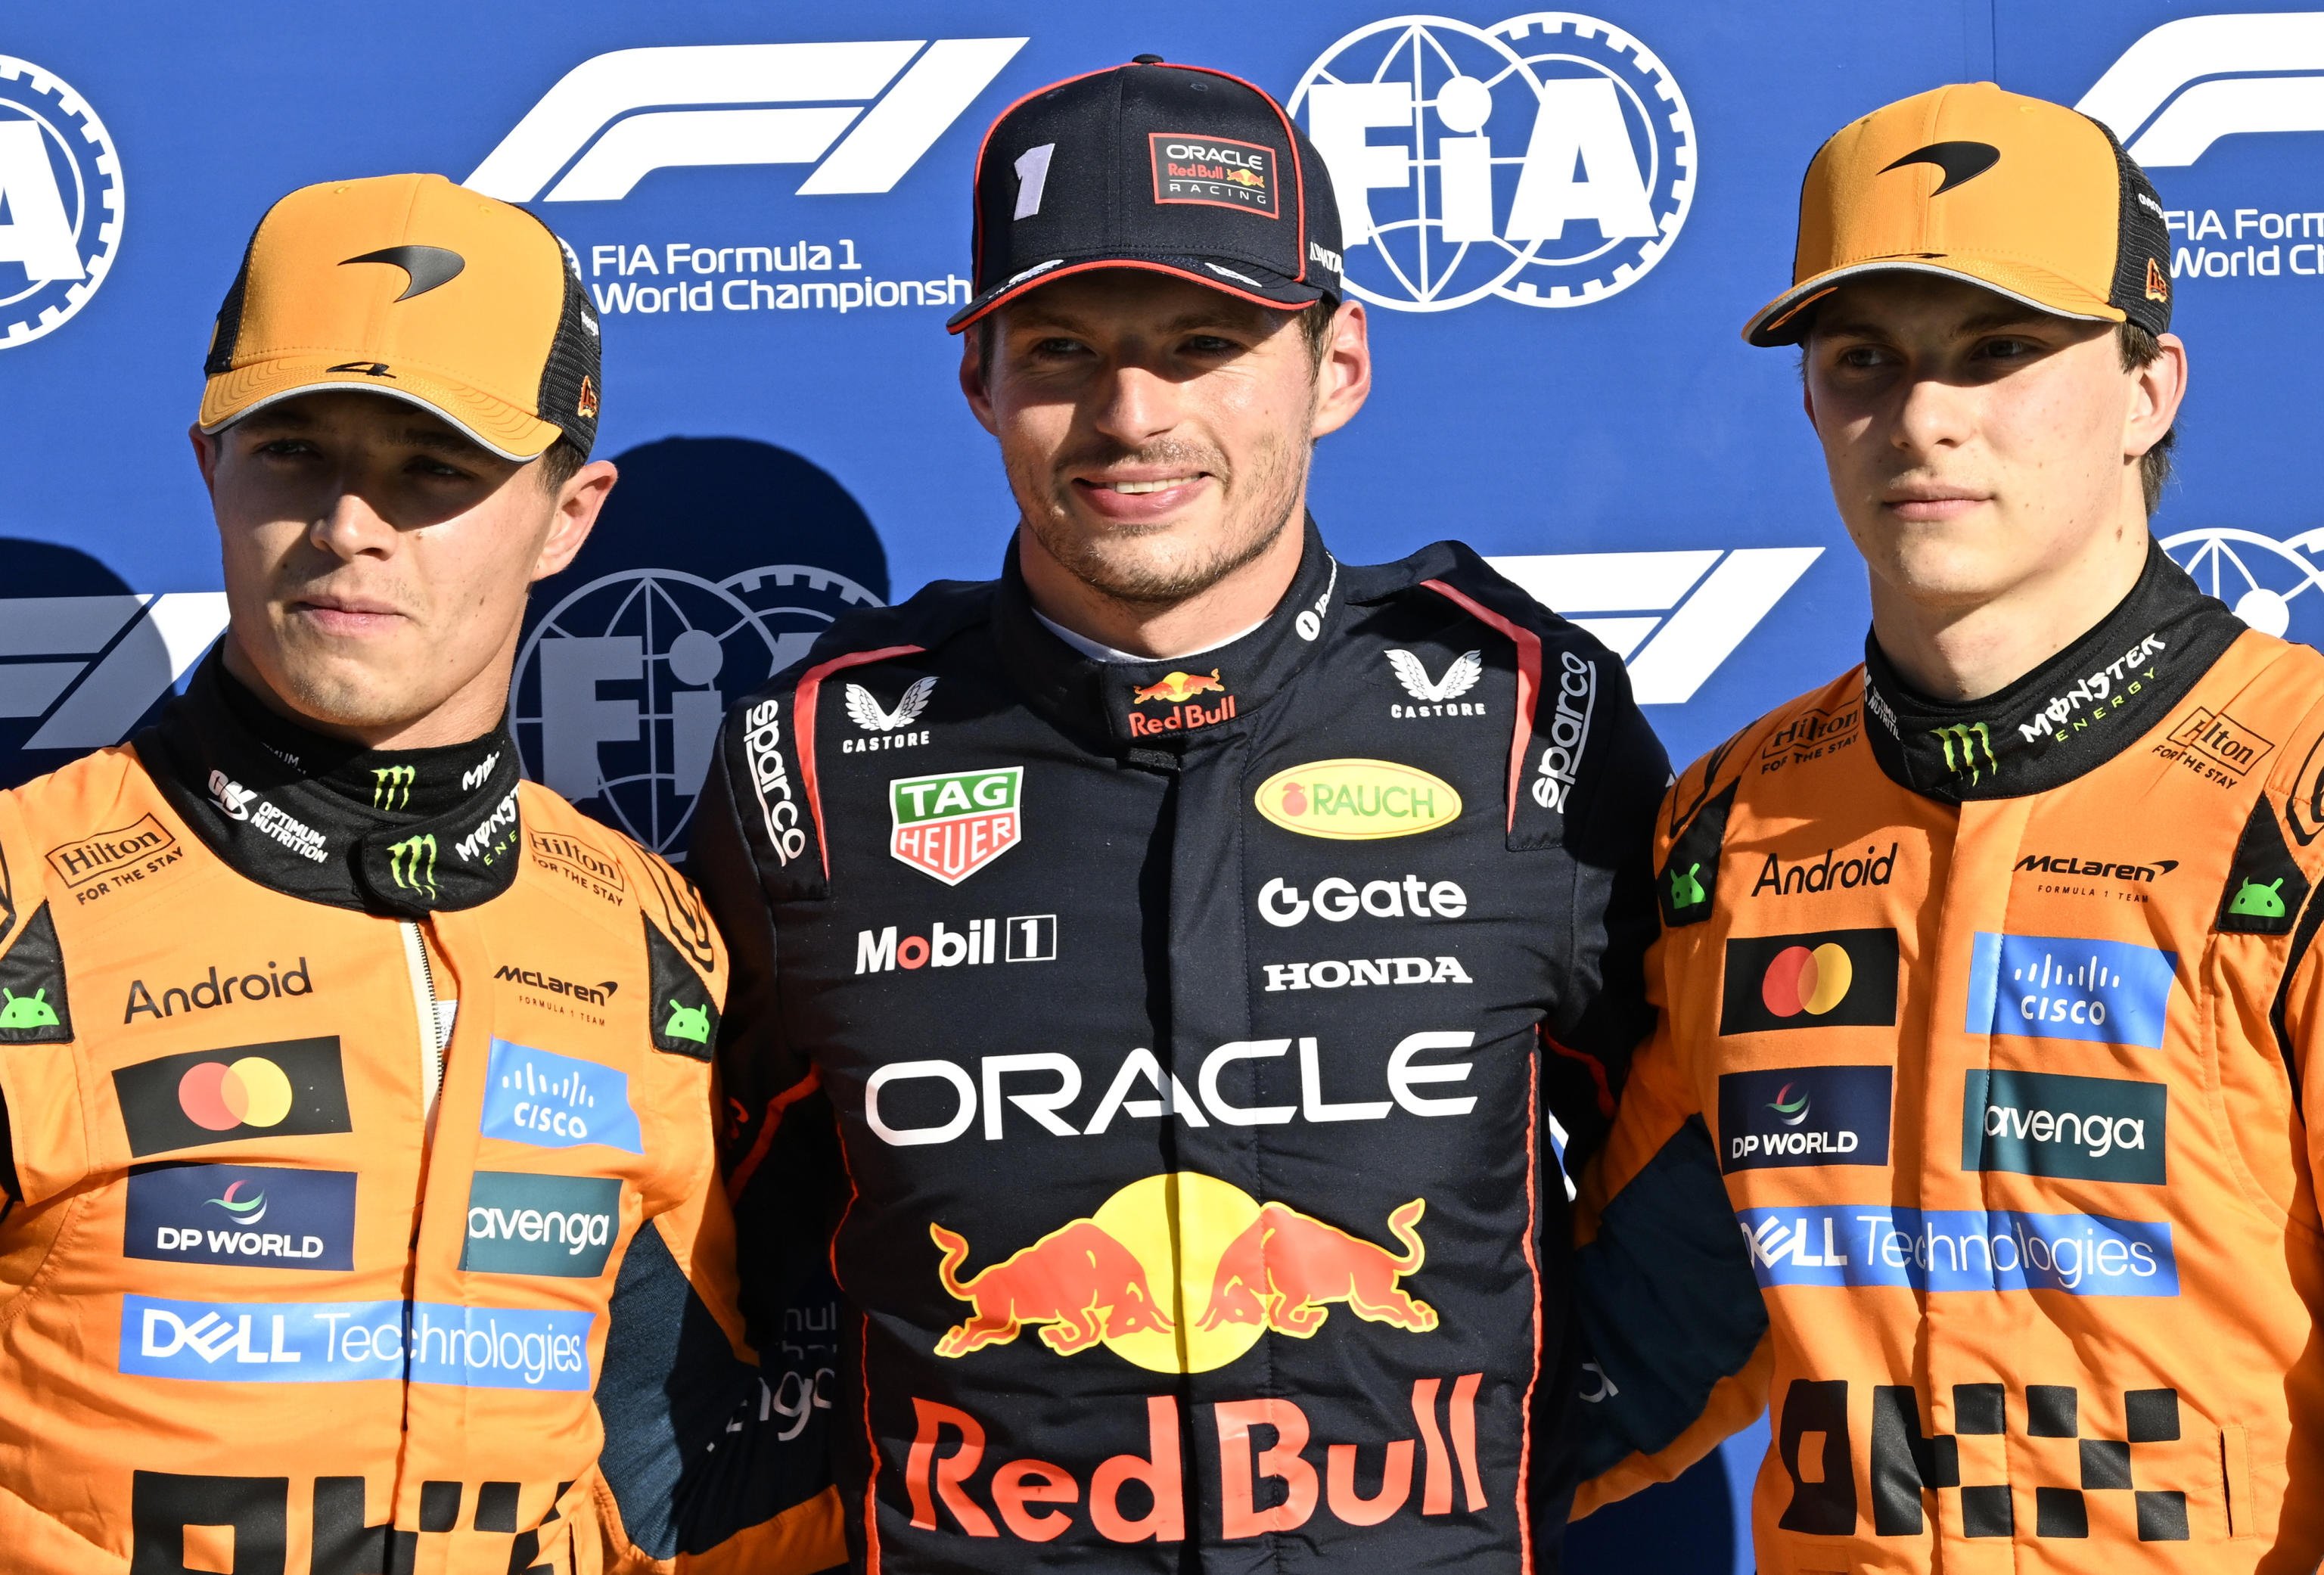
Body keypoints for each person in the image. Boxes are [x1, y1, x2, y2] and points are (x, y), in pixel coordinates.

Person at [686, 54, 1672, 1572]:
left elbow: (1714, 1172)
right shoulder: (816, 757)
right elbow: (684, 1219)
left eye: (1206, 343)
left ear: (1337, 364)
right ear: (981, 382)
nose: (1129, 413)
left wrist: (1504, 1484)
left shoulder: (1529, 710)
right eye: (1061, 347)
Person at [0, 173, 837, 1573]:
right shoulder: (24, 890)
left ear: (570, 514)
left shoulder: (646, 932)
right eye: (292, 449)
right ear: (211, 466)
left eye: (433, 469)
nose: (348, 524)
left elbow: (667, 1450)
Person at [1570, 81, 2324, 1568]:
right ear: (1810, 401)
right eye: (1867, 360)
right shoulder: (1738, 820)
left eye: (1999, 354)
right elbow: (1658, 1324)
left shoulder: (2294, 788)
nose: (1923, 418)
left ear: (2149, 389)